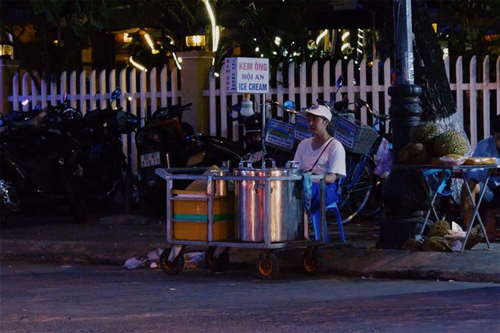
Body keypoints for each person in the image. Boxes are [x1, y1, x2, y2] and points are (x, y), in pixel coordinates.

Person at [294, 104, 346, 221]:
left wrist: (310, 178)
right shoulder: (304, 144)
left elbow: (332, 178)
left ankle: (303, 230)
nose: (310, 124)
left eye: (315, 120)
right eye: (309, 120)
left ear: (325, 122)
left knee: (301, 191)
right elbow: (295, 169)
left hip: (326, 189)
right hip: (303, 185)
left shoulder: (335, 146)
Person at [461, 114, 500, 235]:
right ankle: (468, 232)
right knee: (469, 185)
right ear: (493, 133)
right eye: (499, 138)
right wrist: (488, 171)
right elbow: (471, 171)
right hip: (489, 191)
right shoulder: (483, 145)